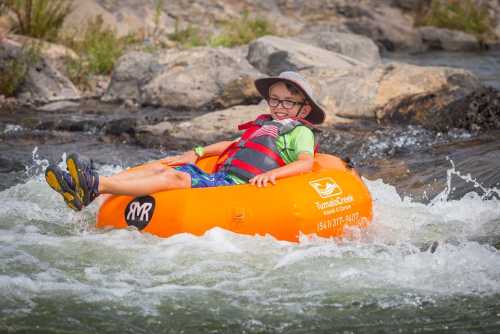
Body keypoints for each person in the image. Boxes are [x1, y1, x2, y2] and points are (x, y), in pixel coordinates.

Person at [45, 71, 326, 211]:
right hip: (222, 179)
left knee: (176, 180)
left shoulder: (300, 131)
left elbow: (306, 163)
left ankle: (95, 186)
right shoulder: (264, 125)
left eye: (288, 102)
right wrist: (196, 151)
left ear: (304, 109)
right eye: (274, 99)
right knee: (164, 165)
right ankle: (91, 184)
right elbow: (232, 145)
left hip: (239, 190)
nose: (279, 106)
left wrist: (275, 174)